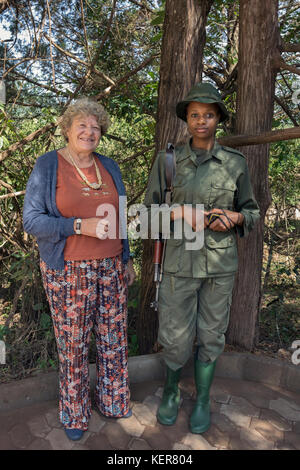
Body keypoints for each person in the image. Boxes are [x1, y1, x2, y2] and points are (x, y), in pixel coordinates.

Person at [143, 82, 260, 434]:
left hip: (220, 266)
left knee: (211, 335)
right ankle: (171, 391)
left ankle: (204, 398)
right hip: (179, 264)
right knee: (176, 338)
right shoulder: (168, 162)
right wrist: (180, 213)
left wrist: (237, 218)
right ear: (187, 120)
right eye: (195, 115)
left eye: (208, 114)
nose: (201, 121)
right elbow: (147, 217)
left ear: (218, 119)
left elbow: (251, 211)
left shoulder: (235, 163)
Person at [23, 98, 136, 441]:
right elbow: (31, 220)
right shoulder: (48, 166)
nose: (89, 132)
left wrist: (127, 257)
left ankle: (114, 401)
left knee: (113, 339)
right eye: (82, 126)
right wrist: (77, 226)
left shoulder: (109, 166)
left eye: (95, 127)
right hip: (68, 270)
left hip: (112, 266)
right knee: (73, 343)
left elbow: (120, 215)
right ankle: (74, 413)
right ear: (68, 129)